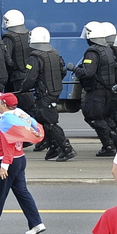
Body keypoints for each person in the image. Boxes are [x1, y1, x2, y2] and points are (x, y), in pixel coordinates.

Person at [0, 92, 46, 234]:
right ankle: (36, 223)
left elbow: (8, 143)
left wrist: (4, 165)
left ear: (4, 105)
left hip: (6, 160)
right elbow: (8, 113)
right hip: (19, 160)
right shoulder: (17, 114)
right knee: (22, 193)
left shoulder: (6, 122)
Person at [20, 27, 77, 162]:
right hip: (54, 91)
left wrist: (23, 88)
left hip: (44, 94)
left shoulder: (35, 57)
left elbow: (30, 78)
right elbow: (62, 72)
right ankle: (54, 147)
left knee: (49, 122)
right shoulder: (54, 53)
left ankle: (66, 148)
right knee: (42, 120)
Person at [73, 21, 117, 157]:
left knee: (93, 117)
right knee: (103, 118)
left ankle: (110, 144)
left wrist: (75, 69)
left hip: (96, 91)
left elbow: (88, 72)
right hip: (108, 91)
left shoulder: (92, 52)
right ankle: (113, 142)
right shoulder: (107, 49)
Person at [2, 9, 35, 113]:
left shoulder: (9, 37)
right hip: (30, 75)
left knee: (14, 109)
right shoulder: (30, 34)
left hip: (16, 77)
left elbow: (6, 58)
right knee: (29, 107)